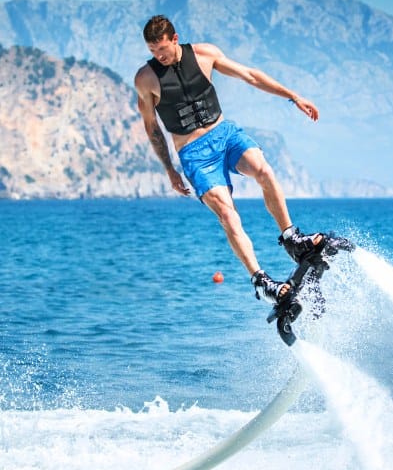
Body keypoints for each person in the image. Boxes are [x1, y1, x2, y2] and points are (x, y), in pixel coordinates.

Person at [134, 15, 327, 307]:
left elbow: (249, 75)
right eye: (152, 51)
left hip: (225, 135)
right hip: (194, 154)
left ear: (175, 39)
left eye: (162, 49)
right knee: (227, 213)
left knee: (263, 169)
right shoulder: (145, 79)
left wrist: (293, 96)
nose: (158, 56)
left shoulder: (204, 54)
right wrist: (169, 169)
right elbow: (151, 127)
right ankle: (262, 281)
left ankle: (291, 237)